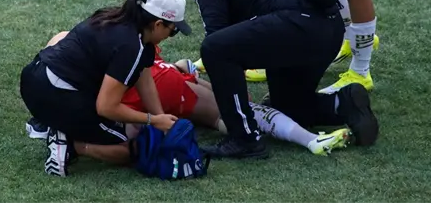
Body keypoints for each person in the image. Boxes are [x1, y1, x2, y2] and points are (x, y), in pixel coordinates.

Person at [159, 0, 379, 158]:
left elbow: (217, 37)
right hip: (327, 29)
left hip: (298, 27)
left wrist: (230, 95)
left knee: (214, 50)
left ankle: (244, 139)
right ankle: (343, 103)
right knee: (289, 107)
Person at [27, 35, 352, 156]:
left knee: (226, 107)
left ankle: (309, 137)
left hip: (152, 84)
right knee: (235, 109)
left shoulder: (85, 41)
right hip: (158, 85)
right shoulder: (135, 46)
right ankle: (309, 138)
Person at [19, 0, 188, 176]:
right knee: (134, 149)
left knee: (123, 124)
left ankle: (49, 122)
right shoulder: (131, 46)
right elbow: (106, 107)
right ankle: (70, 144)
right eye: (173, 31)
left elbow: (145, 81)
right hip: (56, 93)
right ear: (157, 24)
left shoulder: (115, 17)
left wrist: (160, 119)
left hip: (33, 78)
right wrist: (153, 119)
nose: (170, 36)